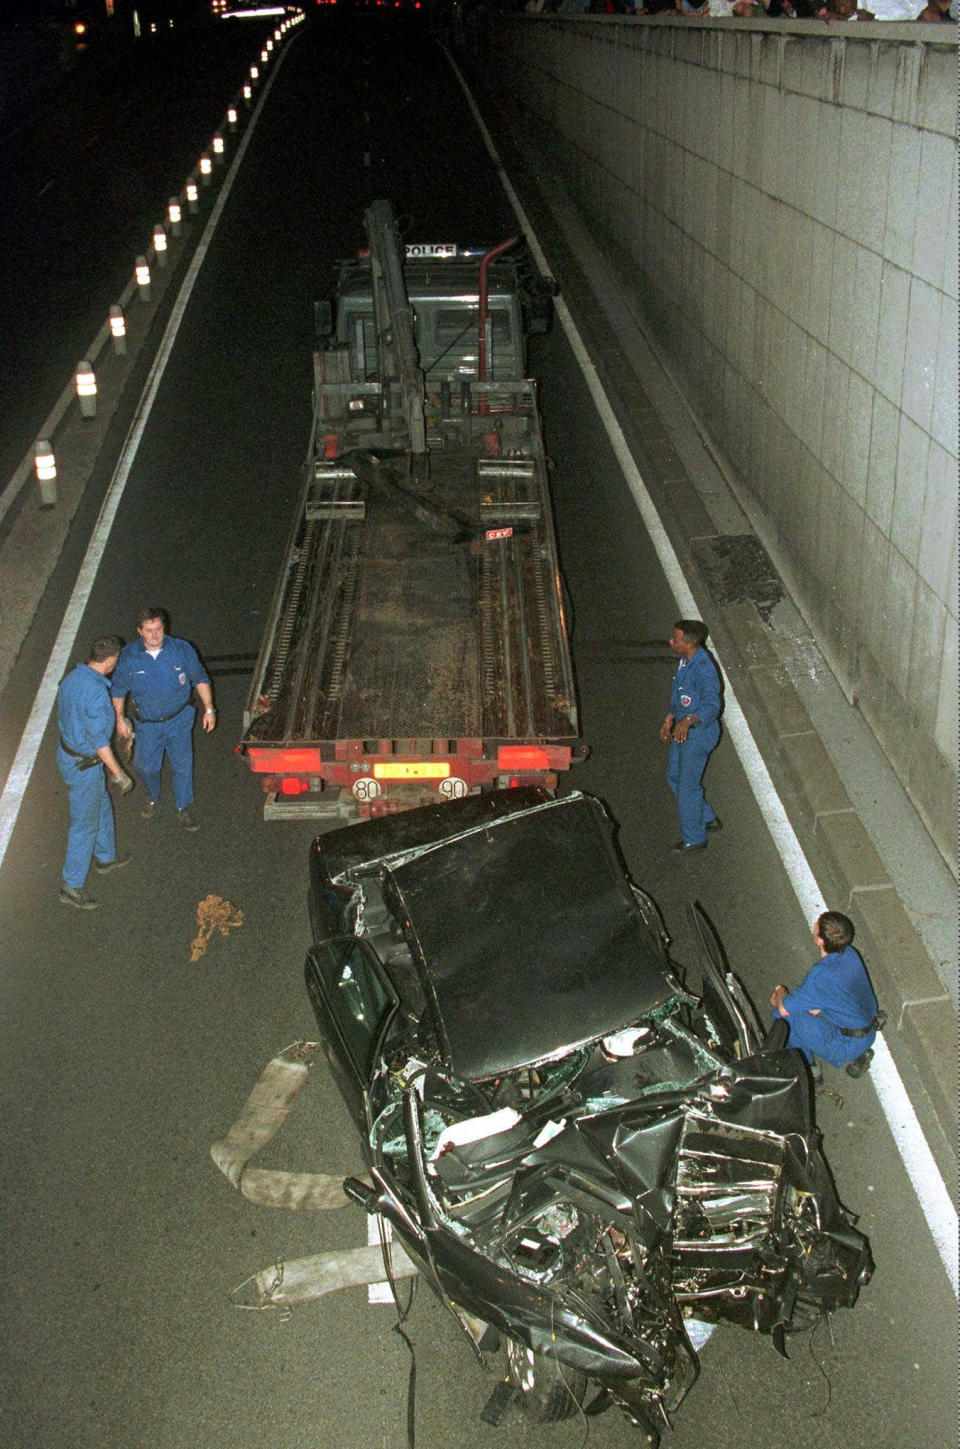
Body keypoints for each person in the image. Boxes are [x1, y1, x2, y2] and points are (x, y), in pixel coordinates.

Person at [111, 607, 215, 831]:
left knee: (182, 764)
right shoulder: (128, 656)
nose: (155, 635)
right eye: (149, 631)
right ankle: (153, 796)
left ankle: (182, 806)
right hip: (147, 724)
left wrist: (209, 709)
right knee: (145, 766)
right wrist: (119, 718)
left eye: (159, 629)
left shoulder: (181, 649)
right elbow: (118, 690)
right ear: (140, 631)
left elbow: (199, 677)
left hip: (178, 720)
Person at [56, 635, 134, 910]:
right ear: (111, 661)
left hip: (67, 752)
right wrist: (119, 774)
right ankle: (71, 885)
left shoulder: (73, 678)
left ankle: (106, 856)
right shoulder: (97, 694)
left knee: (100, 804)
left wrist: (117, 719)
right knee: (84, 824)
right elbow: (101, 744)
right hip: (84, 765)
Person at [770, 911, 880, 1081]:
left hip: (848, 1044)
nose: (815, 923)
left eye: (817, 925)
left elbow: (784, 1007)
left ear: (821, 940)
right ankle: (858, 1052)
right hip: (866, 1028)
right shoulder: (850, 953)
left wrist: (779, 991)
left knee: (782, 1018)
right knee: (810, 1009)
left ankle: (810, 1069)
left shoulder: (820, 977)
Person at [659, 620, 722, 852]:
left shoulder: (703, 669)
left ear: (688, 643)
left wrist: (688, 720)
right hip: (683, 730)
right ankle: (706, 816)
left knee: (687, 787)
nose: (671, 642)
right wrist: (671, 717)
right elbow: (680, 693)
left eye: (675, 639)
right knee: (673, 774)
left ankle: (695, 838)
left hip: (698, 735)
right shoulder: (686, 661)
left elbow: (711, 705)